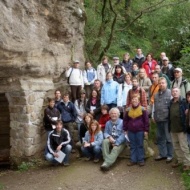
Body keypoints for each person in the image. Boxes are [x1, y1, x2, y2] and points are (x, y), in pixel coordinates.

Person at [123, 95, 149, 166]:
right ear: (131, 101)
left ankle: (141, 160)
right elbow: (125, 120)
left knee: (140, 145)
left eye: (135, 99)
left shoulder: (143, 109)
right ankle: (133, 160)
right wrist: (125, 129)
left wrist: (146, 130)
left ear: (138, 101)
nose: (134, 101)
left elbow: (146, 121)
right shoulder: (128, 110)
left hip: (140, 130)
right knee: (132, 145)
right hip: (131, 131)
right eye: (133, 100)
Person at [152, 77, 173, 163]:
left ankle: (170, 155)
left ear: (166, 84)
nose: (161, 84)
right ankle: (162, 154)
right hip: (158, 119)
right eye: (160, 83)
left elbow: (172, 107)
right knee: (160, 137)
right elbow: (154, 106)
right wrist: (153, 115)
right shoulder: (156, 94)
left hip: (167, 119)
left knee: (168, 138)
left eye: (163, 83)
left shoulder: (170, 93)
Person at [169, 88, 190, 171]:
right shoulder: (171, 103)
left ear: (179, 92)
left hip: (181, 128)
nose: (174, 93)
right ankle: (180, 160)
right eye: (173, 91)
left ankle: (187, 163)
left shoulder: (184, 102)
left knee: (184, 147)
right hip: (173, 128)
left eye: (176, 91)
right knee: (176, 146)